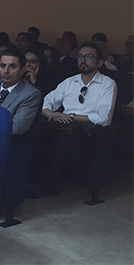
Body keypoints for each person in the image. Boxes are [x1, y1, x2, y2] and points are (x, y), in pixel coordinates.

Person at [30, 43, 117, 198]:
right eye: (81, 56)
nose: (83, 60)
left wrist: (70, 117)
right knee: (33, 134)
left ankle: (49, 186)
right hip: (62, 125)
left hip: (88, 131)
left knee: (62, 142)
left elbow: (103, 118)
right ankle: (30, 180)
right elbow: (45, 102)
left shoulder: (107, 84)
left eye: (88, 57)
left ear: (99, 63)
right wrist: (52, 115)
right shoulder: (70, 82)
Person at [0, 49, 42, 135]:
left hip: (7, 144)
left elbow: (16, 128)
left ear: (22, 70)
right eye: (2, 66)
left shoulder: (30, 94)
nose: (6, 71)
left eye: (12, 66)